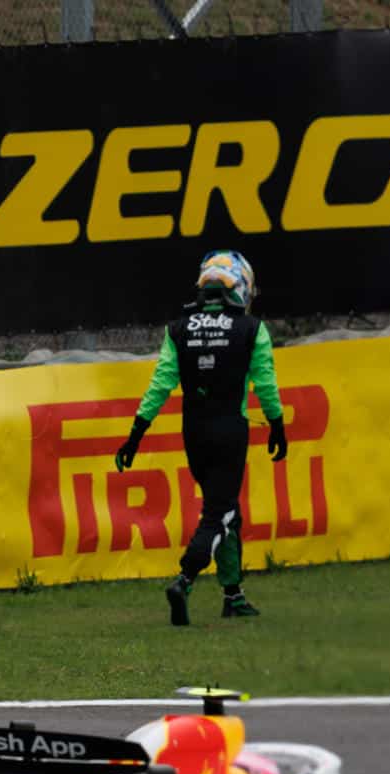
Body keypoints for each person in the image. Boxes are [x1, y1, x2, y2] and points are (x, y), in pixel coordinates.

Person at [115, 250, 287, 626]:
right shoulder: (251, 328)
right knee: (219, 514)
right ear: (242, 286)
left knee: (226, 511)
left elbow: (160, 384)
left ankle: (233, 595)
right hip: (230, 433)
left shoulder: (178, 328)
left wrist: (135, 434)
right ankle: (184, 579)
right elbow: (266, 383)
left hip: (193, 435)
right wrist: (277, 425)